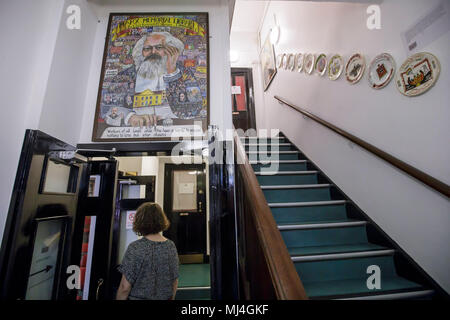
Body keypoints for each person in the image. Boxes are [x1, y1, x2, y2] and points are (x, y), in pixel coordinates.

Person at [116, 203, 179, 300]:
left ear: (140, 221)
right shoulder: (171, 246)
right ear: (161, 220)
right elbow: (174, 281)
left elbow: (125, 287)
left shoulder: (135, 247)